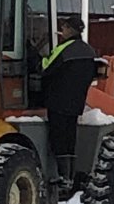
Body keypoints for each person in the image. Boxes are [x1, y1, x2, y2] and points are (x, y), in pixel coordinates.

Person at [40, 16, 98, 185]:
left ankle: (61, 174)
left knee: (57, 137)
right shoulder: (89, 51)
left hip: (57, 100)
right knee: (69, 137)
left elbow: (46, 68)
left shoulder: (63, 49)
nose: (62, 30)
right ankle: (69, 175)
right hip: (76, 102)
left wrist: (39, 57)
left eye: (64, 27)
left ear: (69, 29)